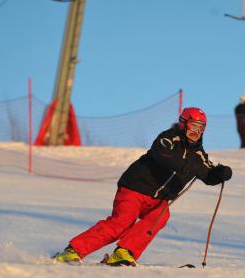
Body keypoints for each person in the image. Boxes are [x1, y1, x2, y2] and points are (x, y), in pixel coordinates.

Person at [53, 107, 233, 266]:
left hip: (159, 199)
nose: (196, 132)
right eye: (193, 127)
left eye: (201, 129)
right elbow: (167, 158)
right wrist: (193, 166)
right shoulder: (168, 139)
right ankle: (73, 250)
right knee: (122, 223)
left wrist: (220, 174)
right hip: (135, 188)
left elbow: (207, 174)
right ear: (183, 124)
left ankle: (124, 252)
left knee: (160, 217)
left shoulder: (198, 154)